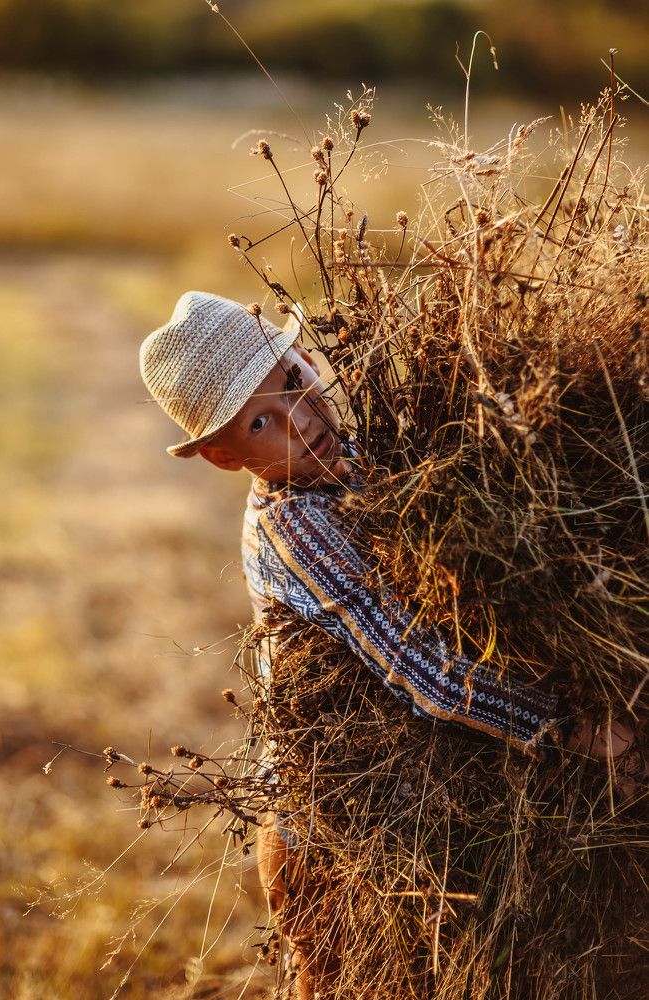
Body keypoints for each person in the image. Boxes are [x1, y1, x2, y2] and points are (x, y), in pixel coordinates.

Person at [140, 290, 643, 1000]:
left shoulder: (365, 457)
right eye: (262, 422)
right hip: (332, 831)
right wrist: (578, 728)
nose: (301, 419)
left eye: (290, 382)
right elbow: (423, 670)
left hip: (416, 793)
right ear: (225, 459)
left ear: (305, 358)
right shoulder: (298, 526)